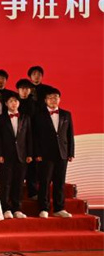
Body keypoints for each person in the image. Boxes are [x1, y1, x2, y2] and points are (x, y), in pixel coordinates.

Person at [32, 88, 74, 218]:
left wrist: (70, 152)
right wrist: (37, 153)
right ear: (45, 100)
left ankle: (59, 208)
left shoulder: (66, 114)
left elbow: (69, 134)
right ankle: (43, 208)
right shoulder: (38, 115)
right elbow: (35, 136)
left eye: (56, 97)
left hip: (62, 153)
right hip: (45, 154)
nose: (53, 100)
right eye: (50, 98)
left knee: (60, 182)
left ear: (59, 99)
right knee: (44, 182)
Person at [0, 92, 33, 219]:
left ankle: (17, 208)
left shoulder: (25, 118)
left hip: (22, 156)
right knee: (5, 183)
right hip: (5, 156)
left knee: (19, 183)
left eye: (15, 101)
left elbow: (29, 137)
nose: (13, 103)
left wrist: (30, 154)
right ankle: (5, 209)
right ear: (6, 104)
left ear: (19, 103)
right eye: (11, 101)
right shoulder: (0, 119)